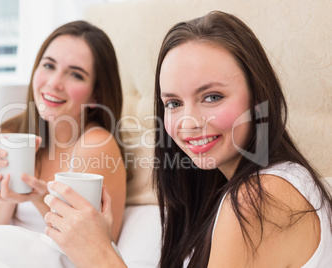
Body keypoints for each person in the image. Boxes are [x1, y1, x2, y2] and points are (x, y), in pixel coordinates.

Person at [43, 11, 332, 267]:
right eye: (173, 103)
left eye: (212, 97)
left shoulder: (260, 198)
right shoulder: (221, 190)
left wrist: (99, 255)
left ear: (257, 97)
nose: (189, 123)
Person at [0, 20, 127, 242]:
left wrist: (39, 197)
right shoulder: (11, 132)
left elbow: (99, 250)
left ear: (96, 96)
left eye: (75, 74)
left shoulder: (95, 144)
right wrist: (5, 197)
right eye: (48, 65)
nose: (54, 83)